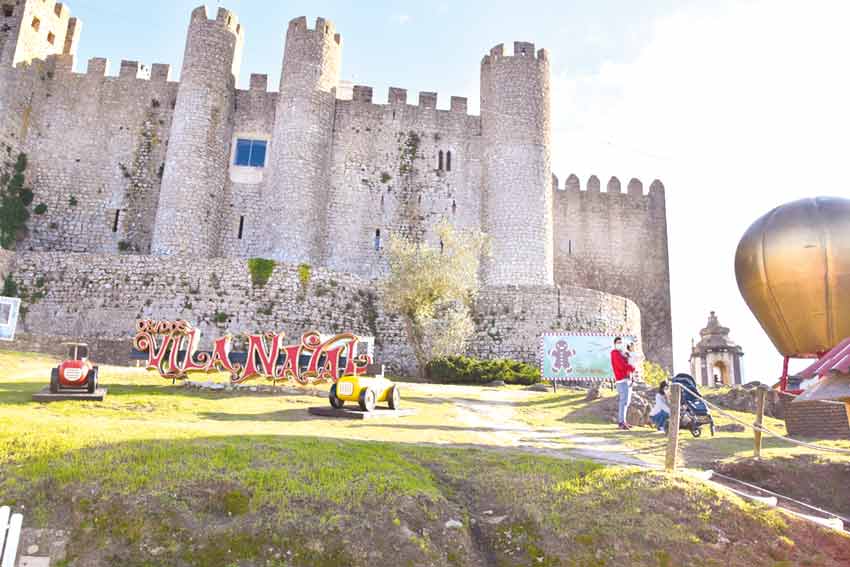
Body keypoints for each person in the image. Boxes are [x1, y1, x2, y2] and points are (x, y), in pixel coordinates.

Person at [610, 337, 635, 430]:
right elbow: (620, 366)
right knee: (623, 402)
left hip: (627, 380)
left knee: (626, 402)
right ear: (615, 344)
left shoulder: (623, 353)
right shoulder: (615, 353)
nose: (620, 344)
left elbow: (629, 361)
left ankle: (624, 421)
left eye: (621, 342)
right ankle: (621, 422)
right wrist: (631, 368)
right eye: (618, 342)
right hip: (621, 380)